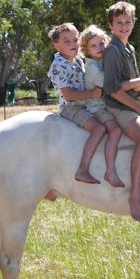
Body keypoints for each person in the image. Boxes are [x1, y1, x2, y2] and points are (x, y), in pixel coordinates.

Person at [102, 1, 140, 222]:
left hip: (133, 100)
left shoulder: (129, 48)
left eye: (128, 21)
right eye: (119, 23)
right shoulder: (113, 51)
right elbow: (112, 89)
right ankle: (134, 196)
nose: (124, 26)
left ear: (134, 23)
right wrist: (138, 107)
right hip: (119, 107)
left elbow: (129, 84)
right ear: (110, 26)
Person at [47, 22, 106, 185]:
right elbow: (69, 95)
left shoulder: (78, 59)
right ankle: (83, 169)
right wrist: (93, 93)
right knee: (98, 128)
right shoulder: (58, 66)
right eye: (67, 41)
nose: (73, 44)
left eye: (75, 39)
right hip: (71, 108)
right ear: (56, 45)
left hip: (86, 104)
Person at [78, 25, 126, 188]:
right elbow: (112, 86)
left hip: (106, 104)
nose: (99, 48)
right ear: (86, 49)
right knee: (115, 130)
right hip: (97, 108)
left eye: (101, 44)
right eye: (93, 45)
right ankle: (110, 171)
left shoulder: (102, 62)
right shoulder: (92, 68)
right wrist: (136, 83)